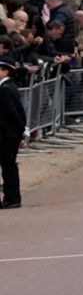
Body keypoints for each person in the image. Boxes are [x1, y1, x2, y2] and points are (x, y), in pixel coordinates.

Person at [0, 59, 25, 208]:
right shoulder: (8, 87)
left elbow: (12, 112)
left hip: (7, 134)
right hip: (9, 133)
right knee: (9, 166)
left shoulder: (6, 89)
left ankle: (12, 198)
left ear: (5, 71)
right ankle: (11, 197)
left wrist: (21, 128)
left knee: (8, 167)